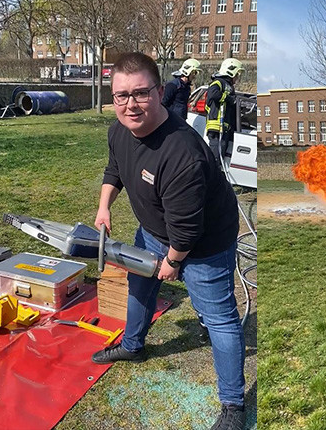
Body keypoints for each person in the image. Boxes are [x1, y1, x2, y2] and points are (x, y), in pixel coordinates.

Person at [92, 52, 245, 430]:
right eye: (121, 95)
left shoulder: (182, 153)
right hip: (153, 231)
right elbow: (115, 169)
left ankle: (233, 405)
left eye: (141, 93)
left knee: (219, 319)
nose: (130, 104)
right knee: (139, 285)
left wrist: (173, 263)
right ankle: (132, 345)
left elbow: (188, 229)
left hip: (203, 242)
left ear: (160, 92)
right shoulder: (119, 130)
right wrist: (104, 207)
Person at [205, 58, 244, 168]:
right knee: (215, 155)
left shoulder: (228, 86)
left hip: (225, 127)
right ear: (230, 71)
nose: (237, 77)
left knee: (221, 153)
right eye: (237, 74)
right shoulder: (218, 83)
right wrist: (228, 98)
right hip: (217, 126)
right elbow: (212, 94)